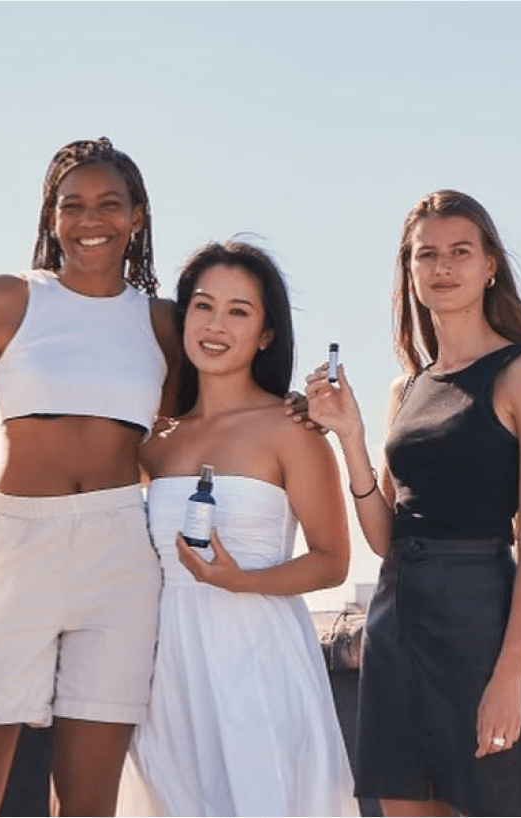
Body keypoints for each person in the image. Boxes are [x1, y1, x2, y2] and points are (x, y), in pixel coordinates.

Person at [0, 136, 180, 817]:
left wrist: (297, 410)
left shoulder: (162, 321)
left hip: (120, 555)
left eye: (109, 204)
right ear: (52, 218)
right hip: (14, 543)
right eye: (71, 205)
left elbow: (206, 423)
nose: (90, 220)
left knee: (88, 799)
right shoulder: (5, 299)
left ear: (137, 216)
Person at [305, 190, 521, 818]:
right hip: (396, 630)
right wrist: (352, 437)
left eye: (459, 252)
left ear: (489, 264)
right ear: (410, 271)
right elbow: (385, 538)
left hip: (480, 627)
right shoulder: (407, 387)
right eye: (427, 255)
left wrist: (508, 678)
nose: (442, 267)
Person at [114, 240, 358, 817]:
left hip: (257, 658)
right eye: (202, 306)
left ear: (266, 334)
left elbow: (332, 561)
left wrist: (239, 581)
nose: (216, 325)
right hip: (163, 668)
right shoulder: (153, 440)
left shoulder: (291, 428)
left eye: (239, 311)